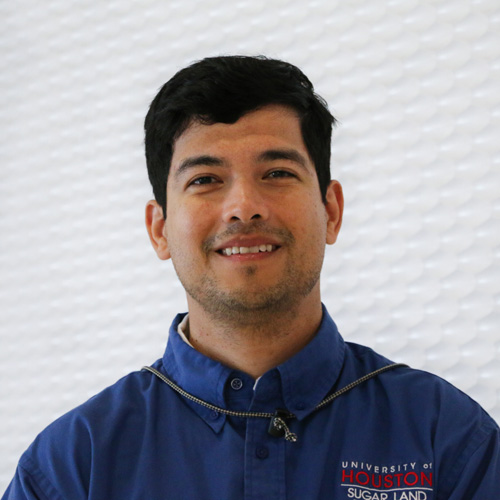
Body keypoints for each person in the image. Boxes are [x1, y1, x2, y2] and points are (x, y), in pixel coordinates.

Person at [3, 55, 499, 500]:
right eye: (205, 180)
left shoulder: (447, 438)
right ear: (159, 229)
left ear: (331, 211)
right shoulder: (72, 468)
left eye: (278, 173)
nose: (243, 208)